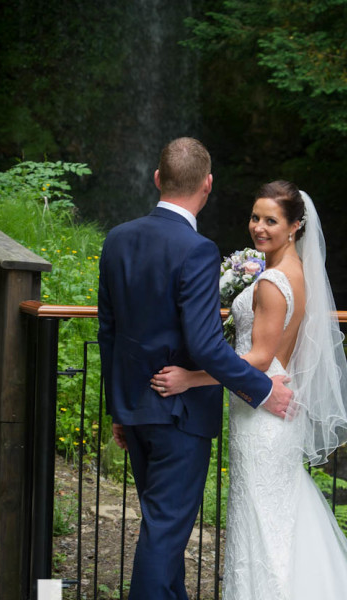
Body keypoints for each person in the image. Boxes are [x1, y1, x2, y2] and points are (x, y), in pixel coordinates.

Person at [151, 180, 347, 599]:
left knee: (263, 526)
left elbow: (258, 359)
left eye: (271, 220)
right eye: (256, 217)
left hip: (261, 413)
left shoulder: (274, 282)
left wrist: (189, 377)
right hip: (270, 404)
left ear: (295, 226)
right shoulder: (295, 272)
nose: (259, 227)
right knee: (274, 521)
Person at [97, 139, 293, 600]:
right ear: (207, 184)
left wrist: (119, 408)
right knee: (164, 536)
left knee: (161, 532)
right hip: (178, 416)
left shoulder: (118, 237)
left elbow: (109, 331)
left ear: (157, 179)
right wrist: (261, 389)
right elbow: (205, 345)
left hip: (136, 411)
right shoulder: (197, 249)